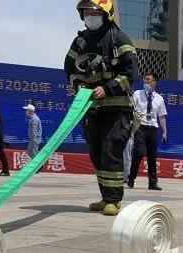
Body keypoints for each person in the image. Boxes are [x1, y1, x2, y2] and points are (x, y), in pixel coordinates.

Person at [64, 0, 138, 216]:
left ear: (106, 14)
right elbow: (69, 67)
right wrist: (77, 84)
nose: (90, 16)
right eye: (86, 12)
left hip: (117, 107)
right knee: (96, 151)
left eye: (94, 12)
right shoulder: (80, 41)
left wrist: (107, 88)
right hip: (92, 108)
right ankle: (106, 197)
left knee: (110, 149)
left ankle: (114, 200)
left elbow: (130, 73)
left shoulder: (119, 39)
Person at [128, 72, 167, 190]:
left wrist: (164, 132)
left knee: (152, 156)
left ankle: (152, 183)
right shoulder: (137, 93)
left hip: (153, 128)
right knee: (138, 153)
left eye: (148, 80)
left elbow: (161, 116)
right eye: (144, 79)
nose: (145, 81)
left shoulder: (159, 98)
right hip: (140, 126)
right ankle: (131, 179)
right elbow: (130, 108)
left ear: (155, 82)